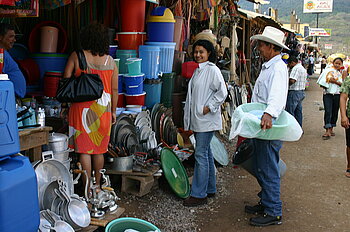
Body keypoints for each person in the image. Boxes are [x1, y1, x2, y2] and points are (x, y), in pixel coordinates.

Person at [63, 22, 118, 192]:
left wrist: (64, 106)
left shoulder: (76, 56)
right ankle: (98, 186)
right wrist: (114, 111)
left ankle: (86, 189)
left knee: (84, 150)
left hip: (81, 108)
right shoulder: (111, 62)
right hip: (103, 109)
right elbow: (115, 89)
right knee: (99, 149)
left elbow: (66, 82)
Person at [245, 26, 289, 226]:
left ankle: (273, 211)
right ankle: (266, 201)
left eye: (261, 45)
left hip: (267, 125)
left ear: (271, 46)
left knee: (268, 167)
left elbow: (277, 95)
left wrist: (268, 114)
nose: (259, 48)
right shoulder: (270, 66)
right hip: (262, 124)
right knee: (262, 165)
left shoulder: (278, 68)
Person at [183, 39, 227, 207]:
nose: (198, 55)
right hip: (200, 119)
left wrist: (209, 107)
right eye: (196, 52)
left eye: (201, 52)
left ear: (209, 53)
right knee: (206, 153)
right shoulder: (198, 71)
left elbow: (222, 92)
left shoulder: (212, 70)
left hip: (206, 119)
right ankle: (209, 188)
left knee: (200, 154)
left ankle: (199, 194)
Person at [321, 57, 345, 140]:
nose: (337, 65)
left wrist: (335, 81)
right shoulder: (327, 71)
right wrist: (327, 81)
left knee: (335, 111)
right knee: (328, 111)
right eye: (336, 63)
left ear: (341, 64)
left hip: (338, 95)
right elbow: (321, 82)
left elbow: (344, 85)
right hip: (327, 94)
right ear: (333, 63)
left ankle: (331, 128)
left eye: (339, 63)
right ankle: (327, 129)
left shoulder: (342, 73)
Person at [0, 23, 26, 98]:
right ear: (1, 37)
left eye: (14, 37)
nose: (14, 40)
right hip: (9, 97)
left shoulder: (5, 53)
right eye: (11, 36)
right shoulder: (1, 54)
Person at [285, 56, 307, 127]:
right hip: (300, 92)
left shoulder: (296, 68)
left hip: (294, 92)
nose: (289, 66)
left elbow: (293, 80)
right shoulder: (302, 68)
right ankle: (298, 128)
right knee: (298, 111)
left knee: (290, 111)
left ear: (292, 63)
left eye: (289, 64)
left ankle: (291, 129)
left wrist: (285, 83)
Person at [340, 68, 350, 177]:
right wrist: (343, 116)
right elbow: (343, 98)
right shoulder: (348, 80)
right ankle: (349, 167)